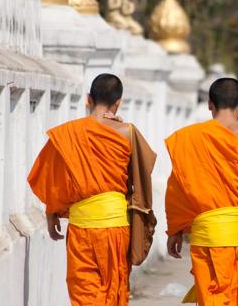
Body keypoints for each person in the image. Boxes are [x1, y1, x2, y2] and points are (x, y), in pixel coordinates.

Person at [28, 74, 156, 306]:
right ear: (118, 103)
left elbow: (51, 178)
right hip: (115, 229)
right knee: (112, 291)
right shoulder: (127, 132)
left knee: (84, 294)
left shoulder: (67, 134)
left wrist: (51, 213)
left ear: (88, 99)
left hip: (81, 229)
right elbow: (143, 169)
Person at [165, 78, 238, 305]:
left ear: (210, 104)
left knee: (210, 298)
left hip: (204, 236)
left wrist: (175, 230)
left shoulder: (188, 137)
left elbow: (177, 187)